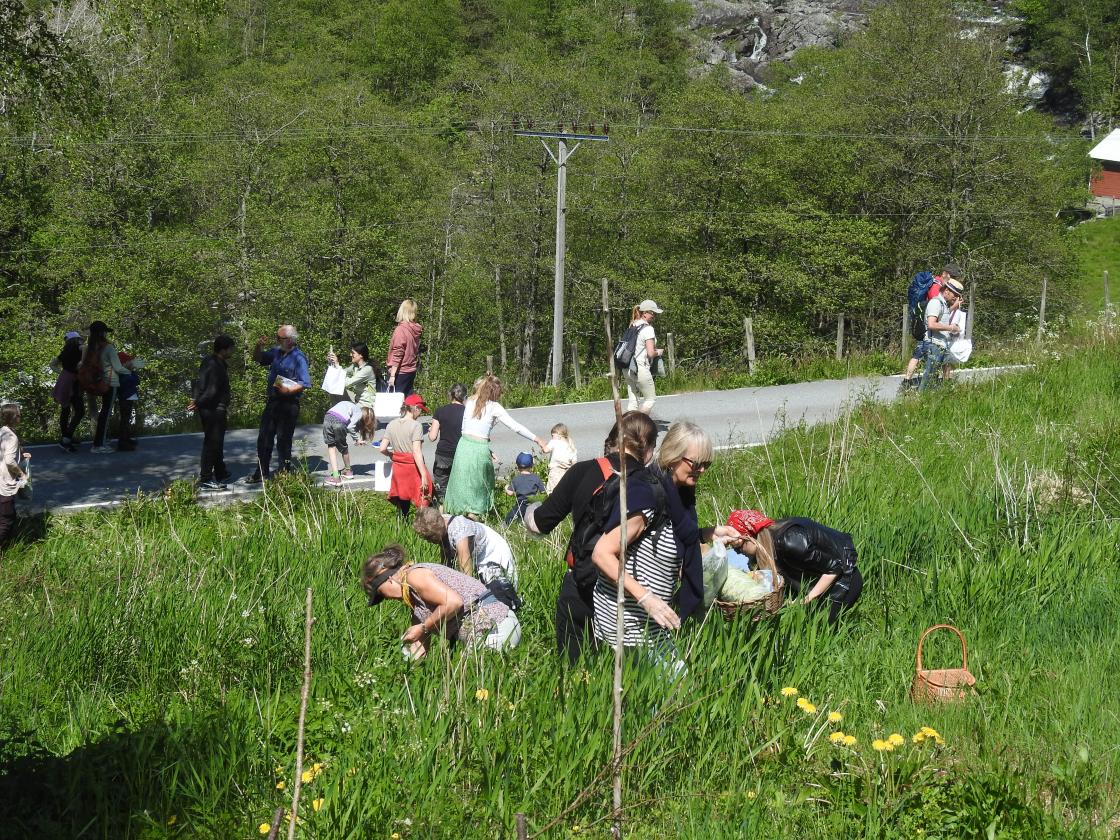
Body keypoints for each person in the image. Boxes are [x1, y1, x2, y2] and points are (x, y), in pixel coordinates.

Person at [525, 411, 660, 663]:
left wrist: (529, 510)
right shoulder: (653, 486)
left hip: (582, 583)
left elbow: (538, 525)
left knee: (576, 667)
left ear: (611, 440)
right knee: (629, 671)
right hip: (629, 595)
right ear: (649, 450)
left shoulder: (583, 471)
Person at [362, 544, 521, 660]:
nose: (387, 599)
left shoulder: (414, 576)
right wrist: (405, 668)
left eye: (381, 594)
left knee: (470, 686)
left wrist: (424, 627)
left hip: (495, 628)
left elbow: (453, 602)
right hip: (489, 631)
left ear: (388, 579)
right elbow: (419, 646)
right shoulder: (415, 601)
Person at [725, 509, 863, 626]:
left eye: (739, 547)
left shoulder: (789, 541)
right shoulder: (767, 543)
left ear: (752, 537)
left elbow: (835, 567)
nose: (738, 552)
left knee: (819, 628)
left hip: (844, 577)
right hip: (816, 577)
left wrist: (806, 600)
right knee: (802, 623)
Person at [443, 375, 547, 519]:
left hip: (463, 447)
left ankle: (455, 519)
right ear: (494, 392)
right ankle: (474, 521)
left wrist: (488, 449)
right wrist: (538, 439)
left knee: (462, 485)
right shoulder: (494, 407)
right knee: (479, 489)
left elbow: (469, 431)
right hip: (479, 450)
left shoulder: (469, 401)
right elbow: (516, 427)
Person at [246, 325, 311, 483]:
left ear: (289, 340)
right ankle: (261, 472)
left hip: (289, 404)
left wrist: (289, 391)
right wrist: (258, 346)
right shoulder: (276, 352)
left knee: (283, 440)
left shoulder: (299, 357)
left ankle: (284, 473)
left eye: (279, 338)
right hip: (273, 401)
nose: (276, 340)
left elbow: (305, 382)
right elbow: (258, 358)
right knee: (264, 438)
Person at [413, 506, 518, 589]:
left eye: (429, 537)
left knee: (498, 588)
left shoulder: (459, 531)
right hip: (478, 553)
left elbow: (466, 567)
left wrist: (466, 594)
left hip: (492, 551)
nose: (428, 541)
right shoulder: (440, 523)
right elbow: (446, 558)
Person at [900, 264, 962, 389]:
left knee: (938, 357)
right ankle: (911, 383)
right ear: (946, 274)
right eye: (953, 276)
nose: (954, 279)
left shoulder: (937, 285)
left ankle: (911, 381)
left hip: (933, 332)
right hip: (929, 332)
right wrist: (953, 308)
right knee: (920, 356)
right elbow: (936, 312)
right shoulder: (936, 288)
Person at [188, 335, 235, 490]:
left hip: (209, 408)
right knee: (212, 443)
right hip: (214, 409)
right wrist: (197, 403)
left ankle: (220, 471)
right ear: (223, 349)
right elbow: (211, 391)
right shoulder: (216, 366)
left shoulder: (208, 360)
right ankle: (206, 478)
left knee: (217, 442)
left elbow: (198, 383)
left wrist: (195, 399)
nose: (232, 352)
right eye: (230, 349)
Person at [83, 321, 137, 454]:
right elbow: (118, 367)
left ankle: (100, 441)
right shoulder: (108, 347)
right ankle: (99, 445)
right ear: (102, 333)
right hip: (110, 382)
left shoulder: (88, 346)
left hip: (96, 382)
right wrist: (131, 368)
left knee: (103, 412)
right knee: (106, 414)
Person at [380, 393, 431, 515]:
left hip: (398, 468)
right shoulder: (416, 425)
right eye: (420, 410)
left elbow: (382, 448)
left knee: (402, 499)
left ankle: (401, 526)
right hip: (412, 468)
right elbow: (416, 451)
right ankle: (421, 526)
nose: (420, 414)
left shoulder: (392, 424)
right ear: (415, 408)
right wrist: (423, 474)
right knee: (423, 497)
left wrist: (392, 455)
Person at [919, 277, 966, 392]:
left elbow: (943, 315)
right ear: (946, 291)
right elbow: (931, 324)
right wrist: (951, 327)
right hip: (933, 344)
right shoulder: (935, 302)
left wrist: (954, 307)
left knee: (933, 376)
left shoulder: (943, 304)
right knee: (929, 376)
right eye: (955, 294)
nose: (955, 298)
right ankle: (920, 400)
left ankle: (926, 398)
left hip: (940, 344)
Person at [625, 300, 666, 415]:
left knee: (633, 403)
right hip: (639, 368)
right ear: (645, 313)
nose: (654, 316)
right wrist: (659, 352)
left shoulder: (633, 325)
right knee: (650, 399)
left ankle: (627, 428)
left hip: (627, 367)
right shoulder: (648, 329)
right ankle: (639, 424)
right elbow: (650, 353)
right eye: (653, 313)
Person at [322, 400, 376, 488]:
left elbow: (349, 423)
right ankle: (348, 471)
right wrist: (357, 439)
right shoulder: (358, 412)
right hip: (340, 422)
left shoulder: (352, 407)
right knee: (344, 448)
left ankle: (335, 477)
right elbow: (350, 426)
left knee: (331, 447)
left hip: (328, 417)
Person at [428, 383, 466, 501]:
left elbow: (432, 437)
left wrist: (431, 429)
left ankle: (442, 512)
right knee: (461, 485)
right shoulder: (468, 412)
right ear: (465, 397)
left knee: (441, 488)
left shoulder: (440, 411)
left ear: (451, 395)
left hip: (443, 454)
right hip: (461, 452)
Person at [0, 404, 30, 551]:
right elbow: (9, 461)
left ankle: (7, 546)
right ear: (13, 417)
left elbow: (6, 452)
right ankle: (4, 549)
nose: (21, 417)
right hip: (5, 483)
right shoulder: (11, 437)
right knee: (6, 519)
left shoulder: (3, 432)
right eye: (19, 415)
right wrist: (22, 474)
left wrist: (21, 453)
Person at [50, 331, 84, 452]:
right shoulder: (80, 348)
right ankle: (66, 439)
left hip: (64, 379)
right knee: (80, 411)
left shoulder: (64, 352)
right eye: (79, 339)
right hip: (73, 382)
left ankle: (66, 436)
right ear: (76, 340)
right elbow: (85, 350)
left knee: (65, 409)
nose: (81, 341)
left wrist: (63, 373)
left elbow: (52, 364)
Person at [326, 342, 382, 408]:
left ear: (361, 355)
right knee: (334, 391)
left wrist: (337, 364)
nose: (350, 355)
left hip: (366, 405)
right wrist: (332, 363)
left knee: (339, 391)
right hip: (357, 400)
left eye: (353, 353)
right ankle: (337, 413)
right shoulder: (355, 366)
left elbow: (347, 383)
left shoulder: (367, 369)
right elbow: (342, 372)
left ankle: (340, 415)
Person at [386, 299, 422, 396]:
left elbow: (398, 352)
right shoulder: (416, 329)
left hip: (399, 372)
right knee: (407, 401)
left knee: (395, 403)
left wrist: (392, 375)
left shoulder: (401, 330)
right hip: (411, 370)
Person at [503, 452, 545, 526]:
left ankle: (505, 526)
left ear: (518, 466)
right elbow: (543, 491)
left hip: (520, 505)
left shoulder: (516, 479)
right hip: (533, 505)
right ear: (532, 465)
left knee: (510, 517)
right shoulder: (536, 478)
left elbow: (510, 493)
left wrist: (506, 487)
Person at [542, 423, 577, 493]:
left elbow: (545, 450)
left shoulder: (554, 442)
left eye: (552, 435)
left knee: (552, 492)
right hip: (567, 473)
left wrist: (542, 444)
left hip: (555, 472)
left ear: (558, 434)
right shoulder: (571, 446)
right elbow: (574, 463)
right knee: (564, 492)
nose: (552, 438)